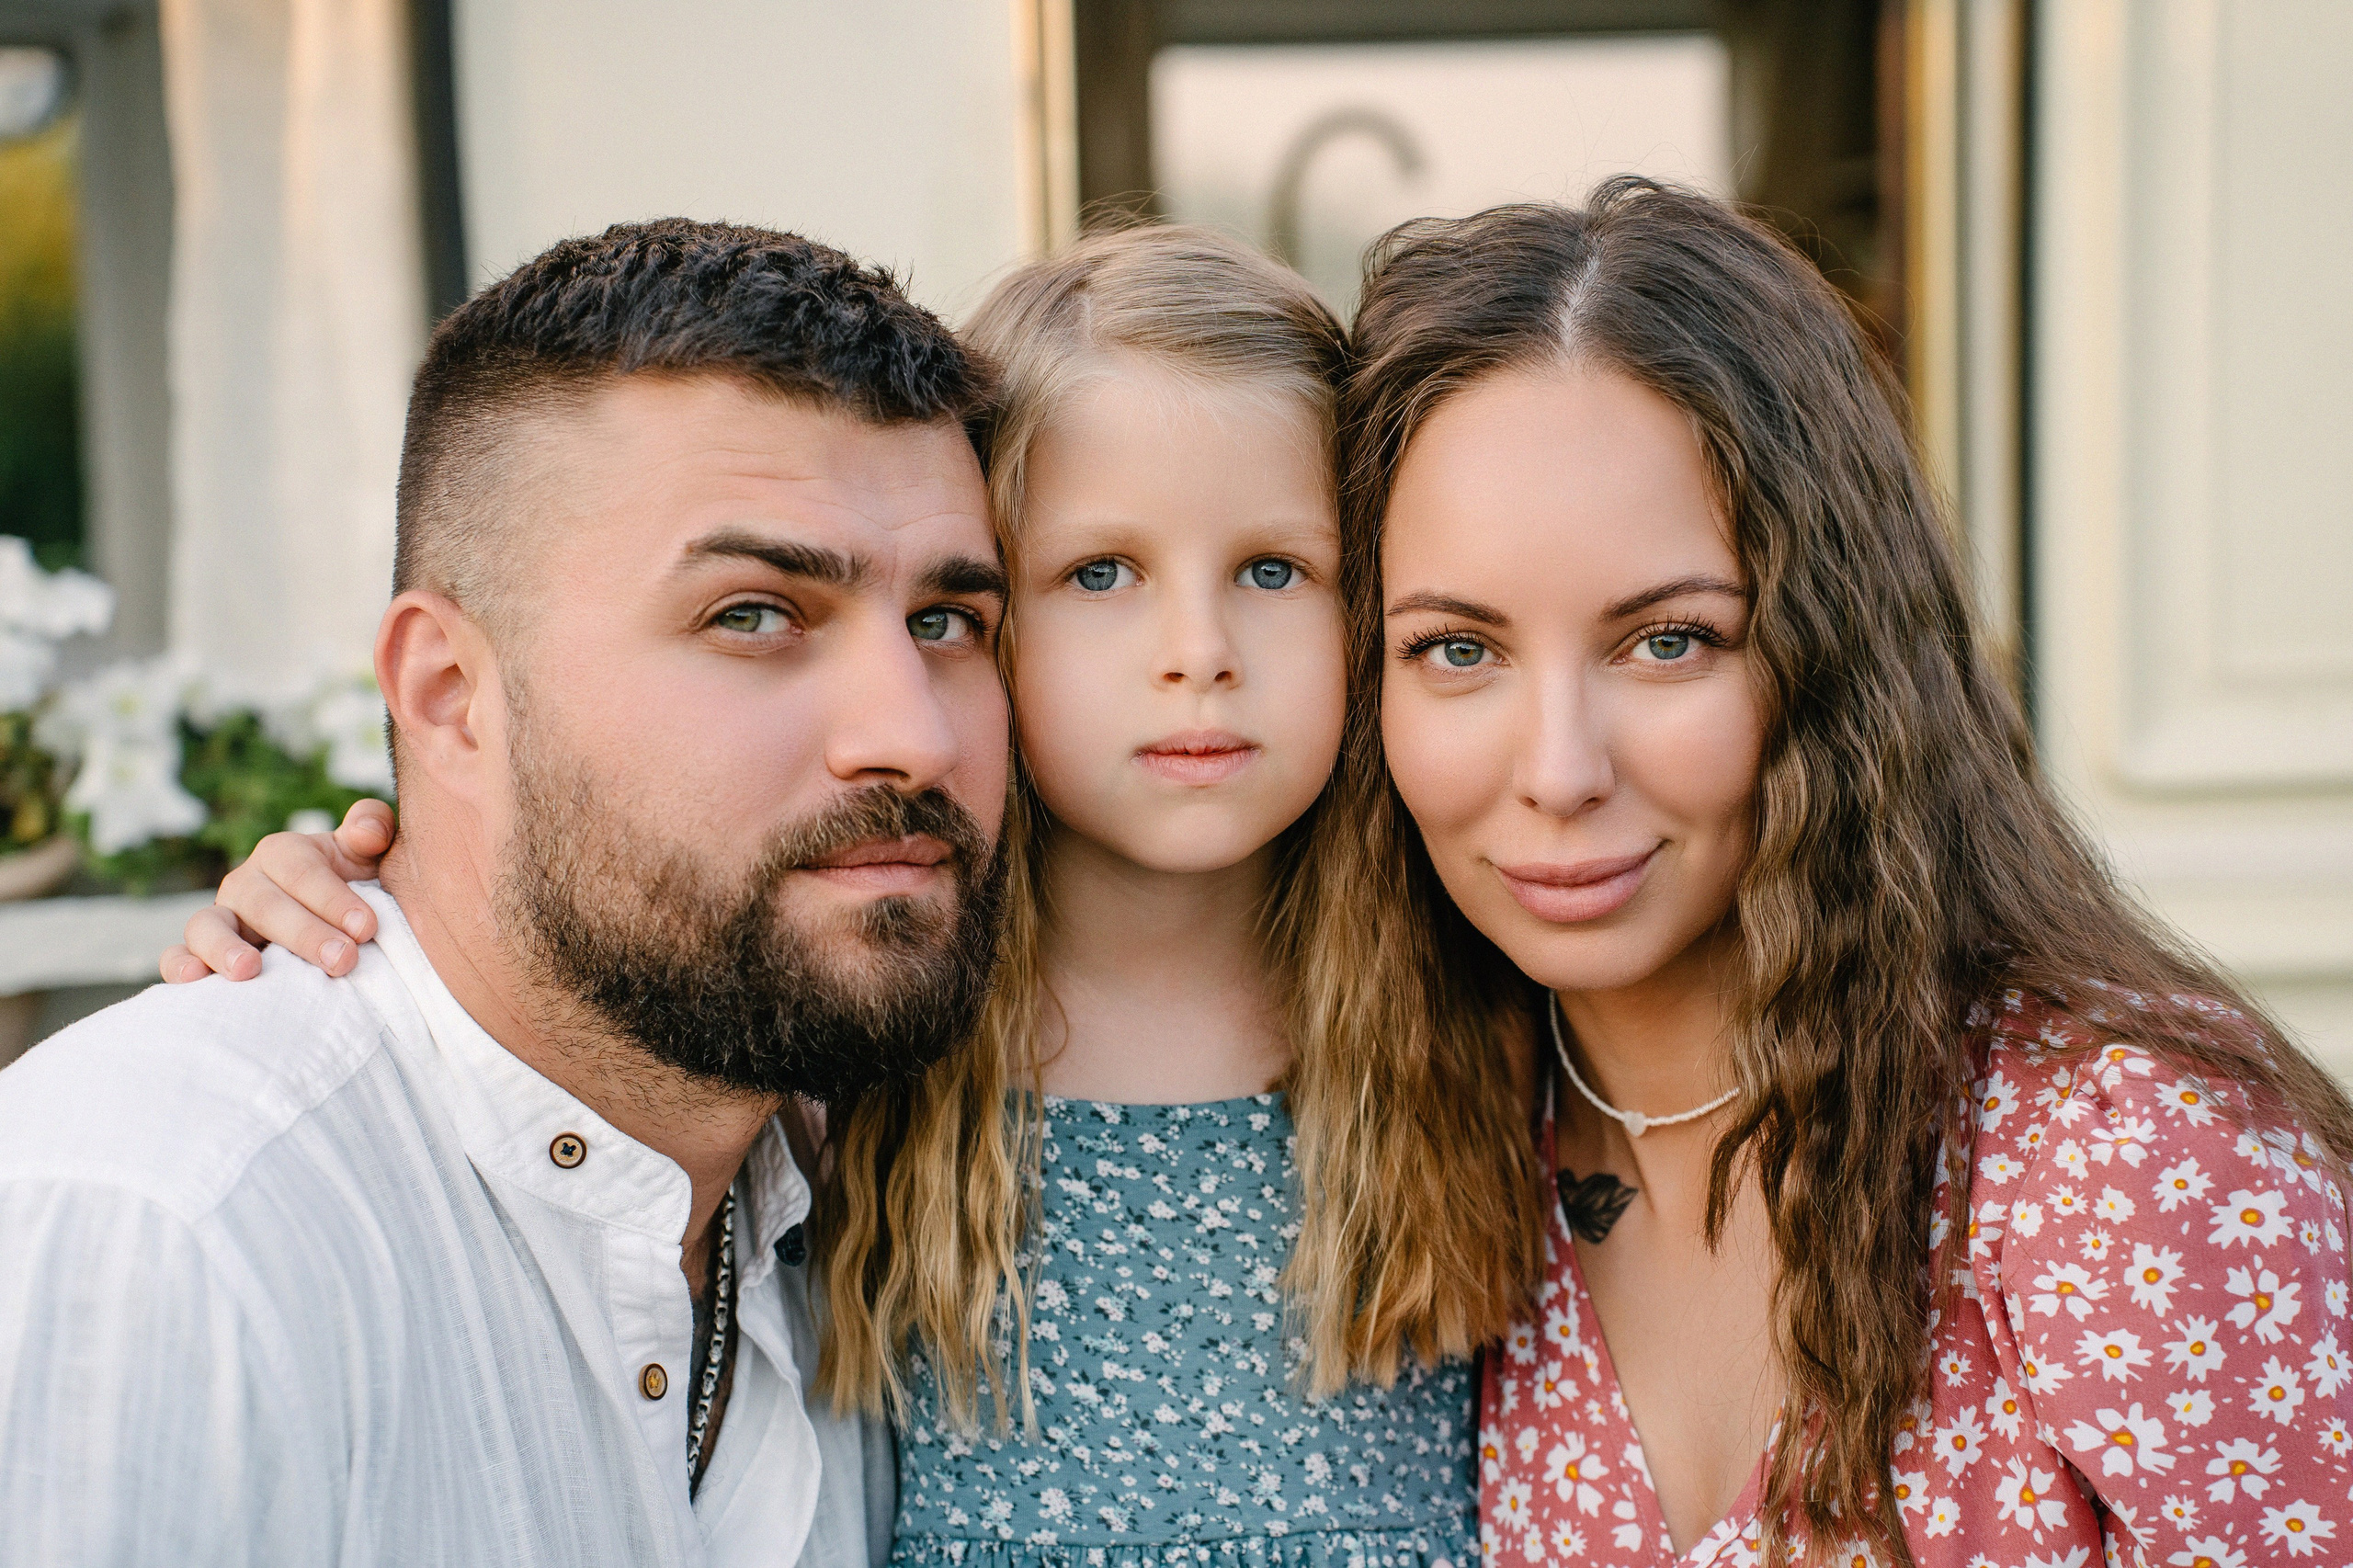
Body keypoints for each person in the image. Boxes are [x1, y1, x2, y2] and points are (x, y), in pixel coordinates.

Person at [160, 225, 1544, 1568]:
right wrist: (349, 894)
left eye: (1273, 570)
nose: (1199, 653)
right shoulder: (871, 1010)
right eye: (1101, 574)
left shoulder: (1479, 980)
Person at [1343, 178, 2353, 1566]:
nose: (1559, 768)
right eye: (1458, 649)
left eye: (1668, 640)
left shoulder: (2130, 1159)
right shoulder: (1434, 1172)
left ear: (1835, 651)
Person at [0, 219, 1012, 1566]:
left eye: (947, 621)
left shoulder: (880, 1193)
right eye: (753, 613)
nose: (915, 734)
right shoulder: (168, 1228)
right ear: (449, 694)